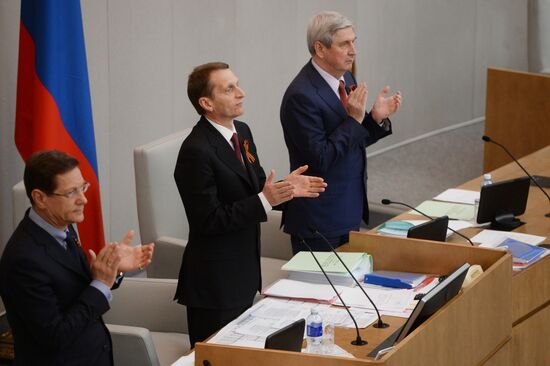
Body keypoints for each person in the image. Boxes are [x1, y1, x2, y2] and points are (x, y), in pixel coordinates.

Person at [174, 62, 326, 347]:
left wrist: (286, 189)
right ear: (206, 102)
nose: (241, 93)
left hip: (244, 272)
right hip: (214, 284)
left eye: (238, 84)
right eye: (229, 89)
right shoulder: (195, 151)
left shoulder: (241, 131)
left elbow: (256, 187)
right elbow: (208, 220)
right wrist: (266, 199)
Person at [0, 150, 154, 366]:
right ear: (40, 198)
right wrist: (100, 283)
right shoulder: (23, 261)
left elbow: (72, 288)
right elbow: (55, 337)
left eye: (83, 187)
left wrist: (112, 268)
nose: (83, 199)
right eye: (71, 192)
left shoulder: (63, 226)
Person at [280, 11, 402, 254]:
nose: (353, 50)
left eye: (354, 41)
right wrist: (356, 121)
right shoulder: (301, 96)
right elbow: (321, 158)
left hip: (348, 207)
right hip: (319, 220)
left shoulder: (345, 76)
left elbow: (351, 141)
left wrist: (375, 119)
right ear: (320, 49)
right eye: (344, 44)